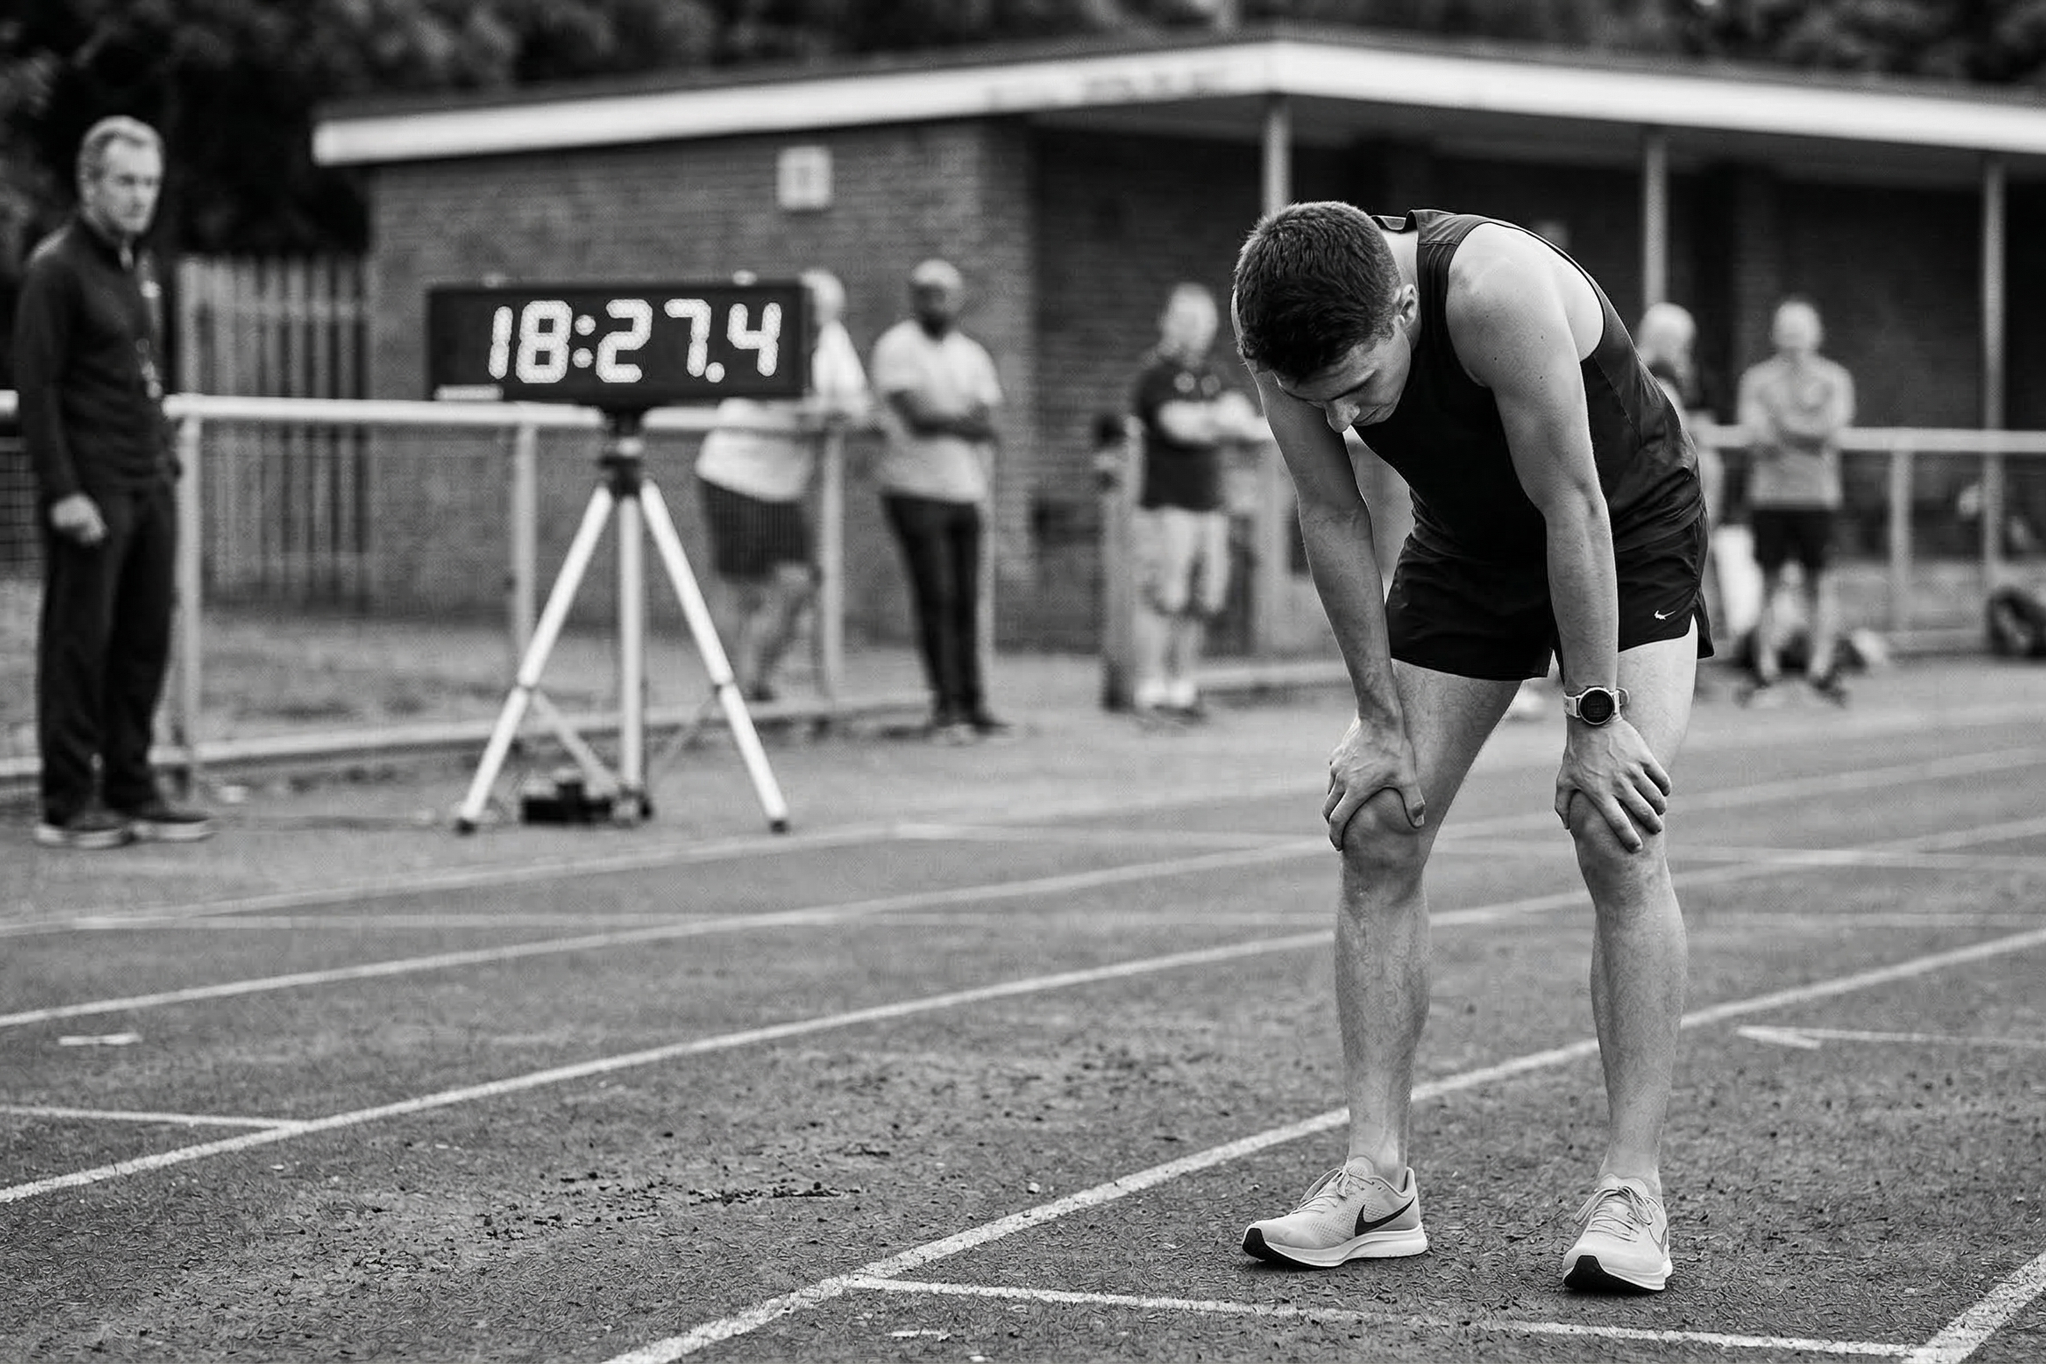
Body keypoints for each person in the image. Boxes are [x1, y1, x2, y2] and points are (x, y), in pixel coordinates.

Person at [1230, 203, 1709, 1293]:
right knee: (1379, 823)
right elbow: (1332, 511)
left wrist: (1595, 721)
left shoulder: (1492, 290)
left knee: (1615, 826)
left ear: (1403, 306)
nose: (1347, 412)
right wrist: (1377, 717)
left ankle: (1632, 1190)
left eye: (1361, 382)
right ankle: (1376, 1178)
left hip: (1620, 525)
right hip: (1468, 537)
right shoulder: (1278, 336)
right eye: (1323, 399)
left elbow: (1575, 505)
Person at [16, 116, 211, 849]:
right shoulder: (56, 269)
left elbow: (143, 371)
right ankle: (68, 798)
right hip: (90, 488)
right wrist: (63, 490)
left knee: (142, 640)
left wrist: (164, 455)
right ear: (89, 184)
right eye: (125, 182)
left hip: (146, 480)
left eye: (150, 183)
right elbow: (37, 389)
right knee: (79, 642)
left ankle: (132, 781)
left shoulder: (138, 266)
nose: (139, 197)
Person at [696, 268, 869, 702]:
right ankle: (730, 691)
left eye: (821, 316)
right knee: (739, 586)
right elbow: (797, 407)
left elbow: (855, 403)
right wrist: (827, 411)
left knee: (797, 583)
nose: (814, 324)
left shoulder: (832, 340)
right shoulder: (766, 333)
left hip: (782, 487)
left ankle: (757, 679)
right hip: (734, 475)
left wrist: (836, 410)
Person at [869, 258, 1007, 742]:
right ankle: (944, 702)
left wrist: (954, 419)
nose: (935, 302)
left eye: (943, 293)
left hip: (965, 489)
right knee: (937, 596)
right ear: (913, 297)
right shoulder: (896, 348)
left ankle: (973, 700)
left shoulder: (972, 354)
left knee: (967, 599)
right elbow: (919, 416)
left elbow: (989, 422)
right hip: (914, 489)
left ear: (957, 298)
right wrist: (960, 418)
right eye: (925, 293)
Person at [1127, 282, 1266, 723]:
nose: (1196, 330)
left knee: (1201, 600)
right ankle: (1149, 692)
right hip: (1167, 504)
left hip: (1210, 506)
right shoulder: (1155, 374)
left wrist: (1212, 420)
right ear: (1166, 321)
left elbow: (1243, 421)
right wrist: (1214, 421)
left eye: (1204, 322)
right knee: (1163, 597)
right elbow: (1177, 426)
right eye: (1187, 321)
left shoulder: (1213, 373)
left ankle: (1182, 689)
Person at [1735, 296, 1856, 704]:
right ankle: (1765, 668)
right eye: (1786, 332)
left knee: (1820, 583)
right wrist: (1803, 428)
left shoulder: (1835, 378)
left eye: (1800, 332)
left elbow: (1830, 427)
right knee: (1767, 583)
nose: (1793, 341)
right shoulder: (1756, 380)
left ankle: (1820, 668)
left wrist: (1784, 421)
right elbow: (1756, 433)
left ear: (1816, 335)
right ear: (1774, 334)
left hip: (1816, 497)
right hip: (1769, 497)